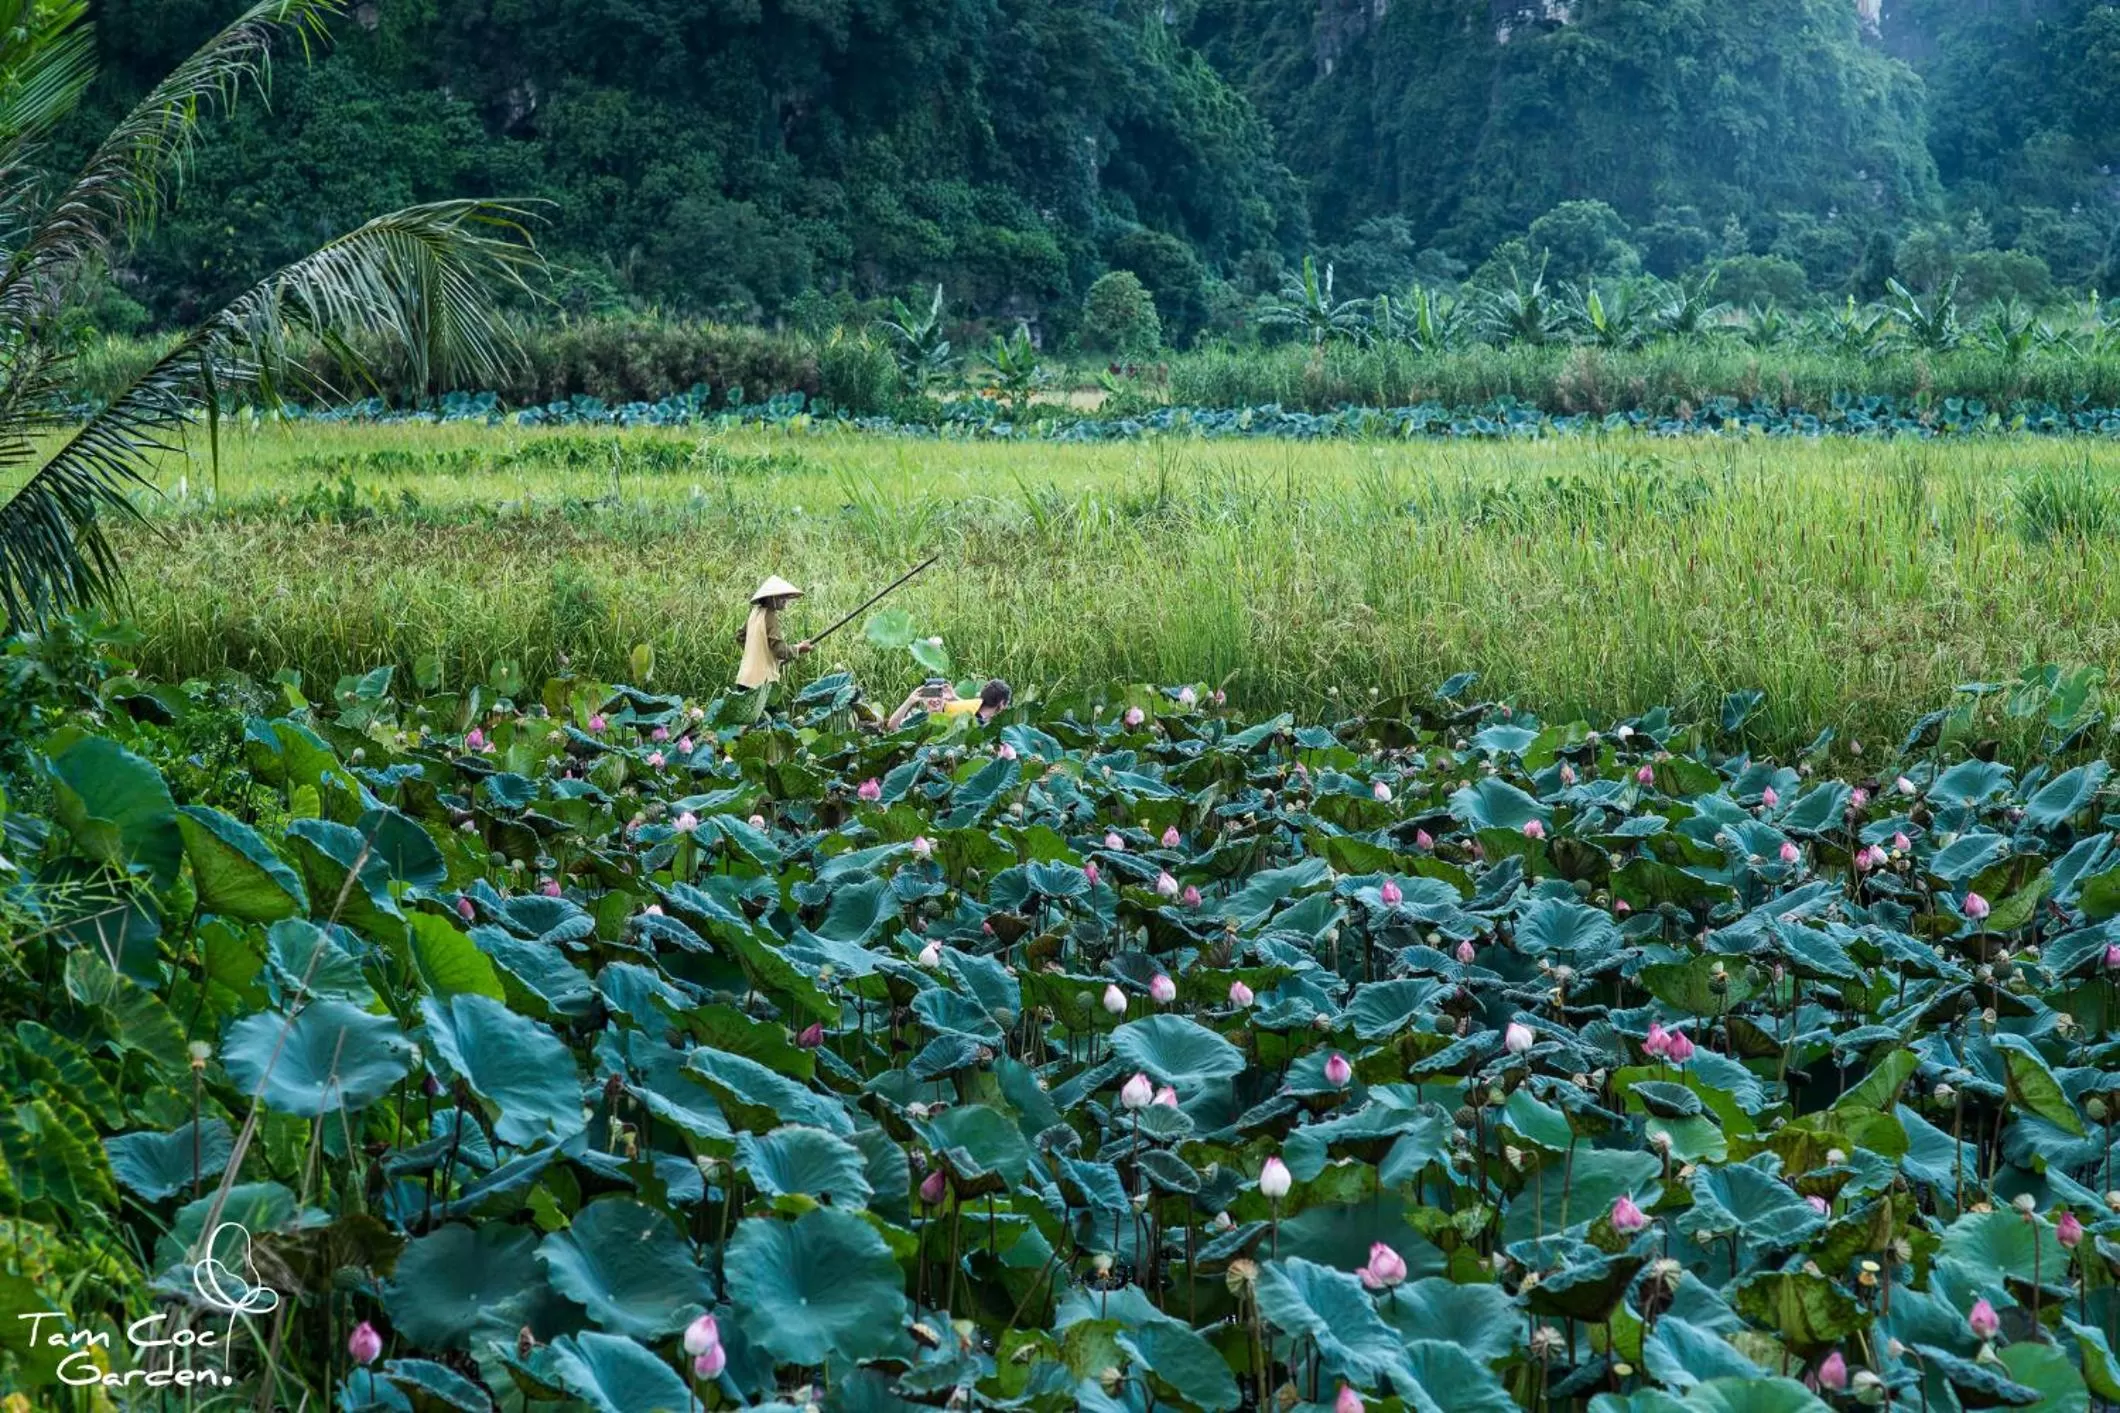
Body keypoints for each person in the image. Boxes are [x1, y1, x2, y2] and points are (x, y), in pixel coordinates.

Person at [735, 576, 813, 689]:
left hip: (744, 679)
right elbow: (780, 651)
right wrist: (799, 648)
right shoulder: (770, 616)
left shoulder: (755, 613)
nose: (785, 600)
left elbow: (740, 637)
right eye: (781, 597)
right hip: (761, 683)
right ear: (771, 598)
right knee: (770, 707)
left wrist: (759, 654)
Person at [886, 677, 1011, 731]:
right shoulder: (920, 717)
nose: (935, 699)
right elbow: (892, 727)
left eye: (939, 694)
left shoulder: (954, 718)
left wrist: (954, 698)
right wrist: (909, 701)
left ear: (944, 699)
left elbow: (974, 715)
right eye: (930, 694)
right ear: (923, 700)